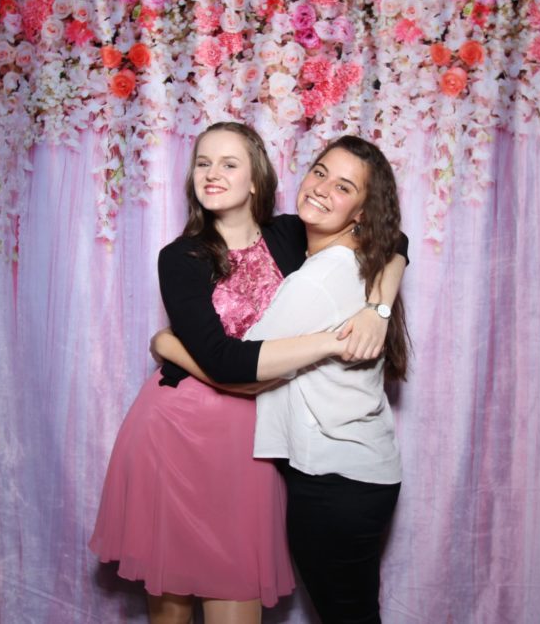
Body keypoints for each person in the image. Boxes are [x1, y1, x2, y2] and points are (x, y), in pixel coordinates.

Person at [89, 123, 407, 624]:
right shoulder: (181, 257)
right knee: (170, 600)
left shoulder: (291, 233)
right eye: (203, 163)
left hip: (249, 443)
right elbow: (223, 362)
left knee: (235, 589)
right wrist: (167, 346)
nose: (212, 173)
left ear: (256, 179)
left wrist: (377, 311)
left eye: (228, 163)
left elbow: (392, 236)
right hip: (176, 432)